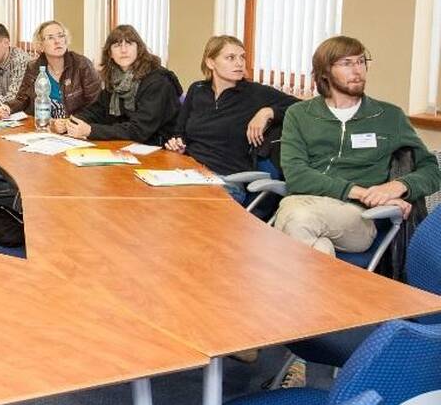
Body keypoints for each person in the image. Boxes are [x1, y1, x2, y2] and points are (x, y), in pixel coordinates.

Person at [272, 35, 441, 256]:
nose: (357, 70)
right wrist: (360, 192)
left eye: (361, 61)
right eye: (347, 63)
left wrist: (399, 186)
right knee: (317, 246)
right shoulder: (300, 114)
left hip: (360, 217)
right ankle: (328, 276)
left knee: (295, 217)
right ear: (325, 72)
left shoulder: (389, 116)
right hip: (306, 201)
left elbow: (432, 170)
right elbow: (296, 175)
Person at [164, 35, 297, 203]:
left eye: (242, 57)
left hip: (226, 179)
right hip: (188, 172)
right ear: (210, 62)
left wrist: (268, 112)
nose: (239, 63)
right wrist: (178, 144)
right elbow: (179, 132)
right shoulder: (197, 89)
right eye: (231, 58)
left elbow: (301, 108)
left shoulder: (255, 93)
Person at [66, 25, 182, 145]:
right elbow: (97, 111)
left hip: (159, 145)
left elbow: (139, 130)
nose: (123, 50)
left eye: (129, 44)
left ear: (139, 49)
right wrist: (72, 122)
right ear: (110, 53)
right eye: (117, 45)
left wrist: (91, 130)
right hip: (128, 143)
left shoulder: (158, 81)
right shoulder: (115, 78)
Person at [0, 20, 102, 126]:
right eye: (50, 38)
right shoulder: (34, 68)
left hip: (75, 128)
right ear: (41, 45)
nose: (57, 41)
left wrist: (69, 122)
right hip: (44, 127)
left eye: (61, 36)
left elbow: (95, 106)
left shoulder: (82, 65)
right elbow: (23, 99)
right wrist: (8, 107)